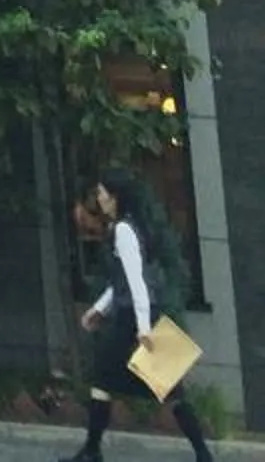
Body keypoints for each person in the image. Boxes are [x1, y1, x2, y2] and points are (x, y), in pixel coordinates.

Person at [64, 168, 213, 462]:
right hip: (133, 313)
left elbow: (136, 281)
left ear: (114, 197)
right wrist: (98, 309)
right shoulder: (128, 227)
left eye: (102, 193)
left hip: (132, 316)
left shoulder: (123, 231)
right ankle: (202, 454)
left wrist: (143, 326)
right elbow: (122, 280)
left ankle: (92, 452)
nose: (99, 198)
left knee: (107, 379)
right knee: (167, 388)